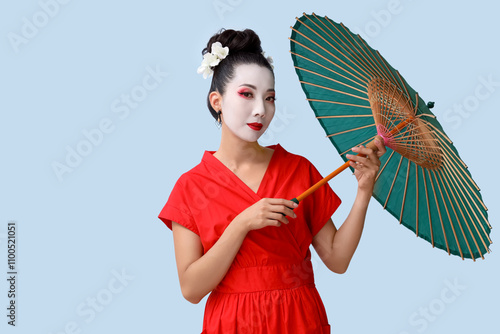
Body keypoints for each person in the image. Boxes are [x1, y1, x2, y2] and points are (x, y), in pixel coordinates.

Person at [158, 28, 386, 334]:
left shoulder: (298, 169)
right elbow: (191, 289)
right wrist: (242, 223)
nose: (260, 110)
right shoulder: (191, 186)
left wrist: (363, 190)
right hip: (233, 323)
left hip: (300, 318)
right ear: (217, 101)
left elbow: (337, 259)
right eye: (246, 94)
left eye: (270, 98)